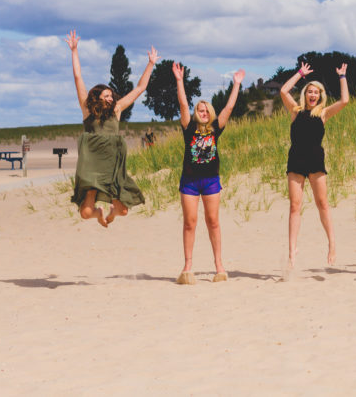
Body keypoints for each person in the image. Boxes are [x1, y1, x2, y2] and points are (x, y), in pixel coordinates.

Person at [66, 30, 157, 226]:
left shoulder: (117, 109)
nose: (110, 98)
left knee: (123, 211)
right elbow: (77, 77)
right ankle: (99, 213)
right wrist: (74, 51)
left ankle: (111, 213)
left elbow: (140, 88)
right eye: (106, 95)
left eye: (111, 95)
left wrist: (150, 64)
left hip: (112, 164)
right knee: (85, 212)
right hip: (91, 165)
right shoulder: (87, 110)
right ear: (97, 97)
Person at [174, 63, 245, 284]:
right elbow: (183, 104)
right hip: (190, 182)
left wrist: (236, 85)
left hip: (211, 181)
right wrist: (179, 80)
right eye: (200, 111)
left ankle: (219, 266)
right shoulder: (188, 129)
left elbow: (229, 109)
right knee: (190, 222)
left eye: (206, 111)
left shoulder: (216, 128)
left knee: (213, 221)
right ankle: (187, 266)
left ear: (210, 114)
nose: (203, 113)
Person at [280, 62, 349, 267]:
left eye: (316, 92)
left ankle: (332, 244)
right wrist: (300, 73)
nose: (312, 95)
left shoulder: (323, 113)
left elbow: (345, 100)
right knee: (294, 206)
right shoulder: (295, 110)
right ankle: (292, 251)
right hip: (296, 160)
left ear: (320, 95)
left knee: (322, 204)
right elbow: (283, 90)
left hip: (315, 160)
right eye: (309, 91)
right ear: (305, 94)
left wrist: (342, 77)